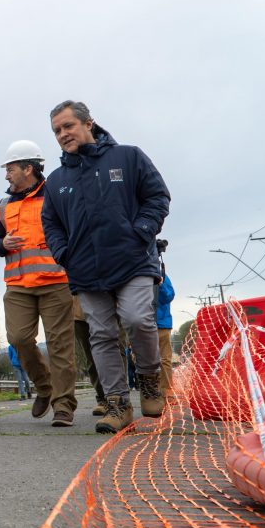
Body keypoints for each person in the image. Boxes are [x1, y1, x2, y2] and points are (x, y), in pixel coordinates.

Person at [41, 100, 171, 434]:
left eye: (68, 126)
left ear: (88, 123)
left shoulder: (128, 157)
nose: (62, 134)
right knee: (101, 335)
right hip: (85, 270)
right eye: (57, 130)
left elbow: (157, 196)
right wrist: (63, 252)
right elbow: (51, 222)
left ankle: (150, 381)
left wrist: (141, 231)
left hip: (133, 261)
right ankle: (117, 403)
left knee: (137, 319)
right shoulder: (56, 181)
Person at [0, 140, 78, 427]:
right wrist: (2, 242)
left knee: (60, 345)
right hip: (18, 285)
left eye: (10, 168)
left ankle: (64, 405)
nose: (6, 174)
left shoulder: (56, 196)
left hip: (55, 281)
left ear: (28, 168)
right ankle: (44, 386)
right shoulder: (3, 206)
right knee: (18, 340)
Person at [72, 295, 107, 416]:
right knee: (91, 357)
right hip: (80, 310)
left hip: (111, 303)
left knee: (116, 352)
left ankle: (119, 399)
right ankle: (102, 398)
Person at [157, 269, 175, 394]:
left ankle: (167, 390)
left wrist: (160, 284)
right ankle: (151, 390)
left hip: (162, 324)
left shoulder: (161, 275)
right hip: (142, 324)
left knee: (165, 359)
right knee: (142, 359)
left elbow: (168, 296)